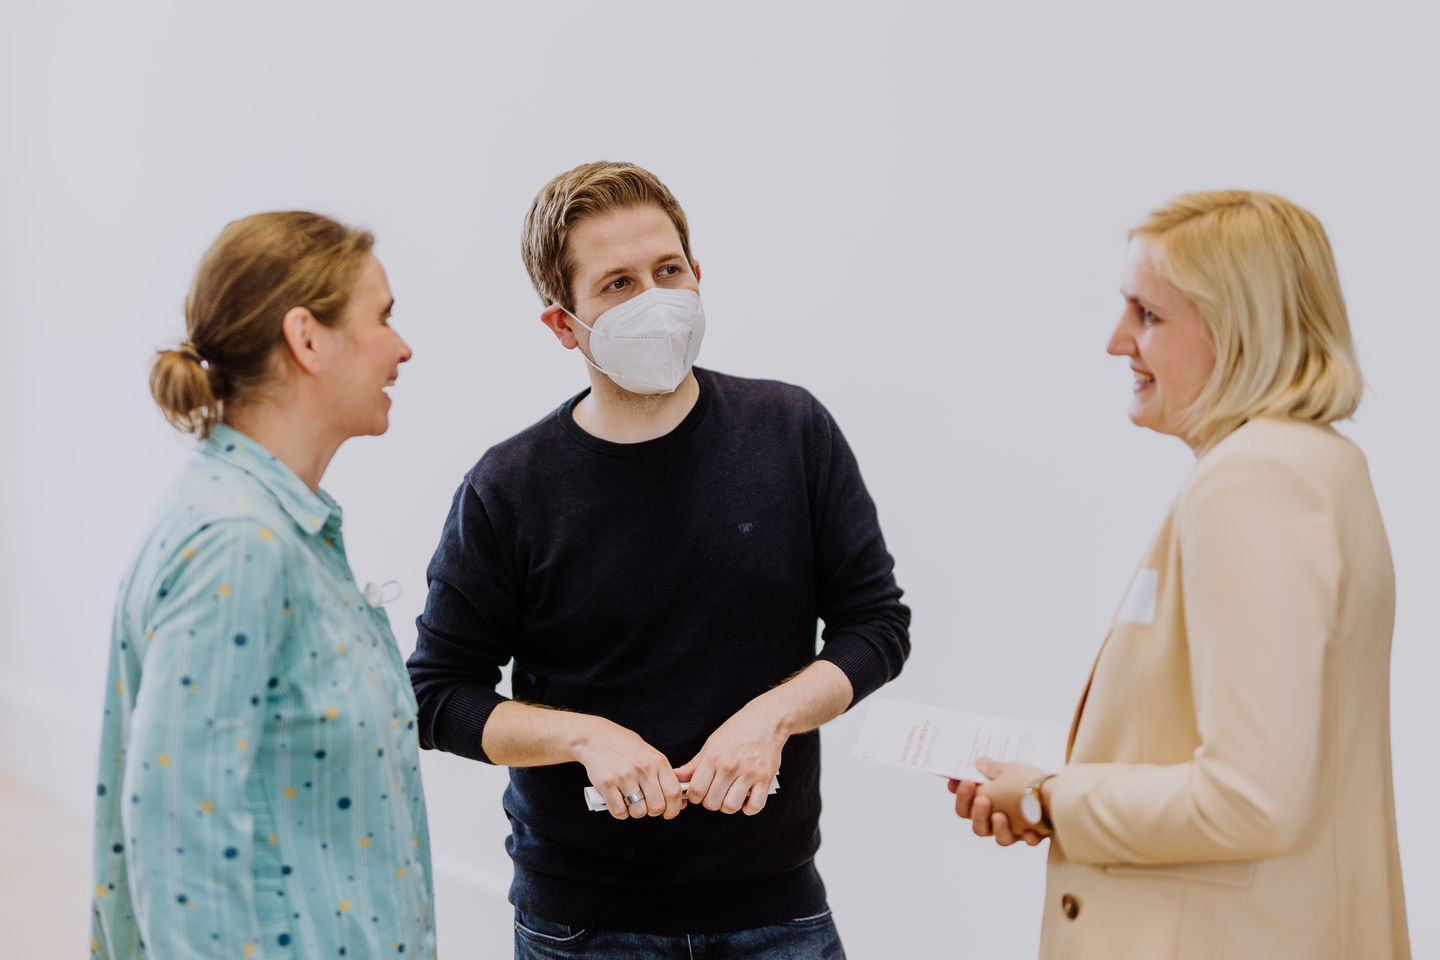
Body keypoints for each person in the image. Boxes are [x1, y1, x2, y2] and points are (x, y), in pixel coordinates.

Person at [407, 161, 910, 958]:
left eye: (668, 271)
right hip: (583, 925)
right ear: (564, 325)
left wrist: (771, 717)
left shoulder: (791, 431)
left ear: (698, 276)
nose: (655, 300)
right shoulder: (508, 488)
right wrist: (585, 740)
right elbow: (436, 697)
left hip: (775, 908)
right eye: (617, 284)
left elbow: (876, 626)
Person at [949, 191, 1410, 959]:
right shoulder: (1320, 463)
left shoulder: (1252, 481)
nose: (1115, 341)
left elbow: (1249, 800)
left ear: (1241, 329)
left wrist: (1045, 796)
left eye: (1148, 315)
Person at [90, 212, 436, 959]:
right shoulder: (238, 542)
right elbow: (179, 846)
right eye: (383, 317)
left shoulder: (277, 525)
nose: (403, 348)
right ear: (306, 338)